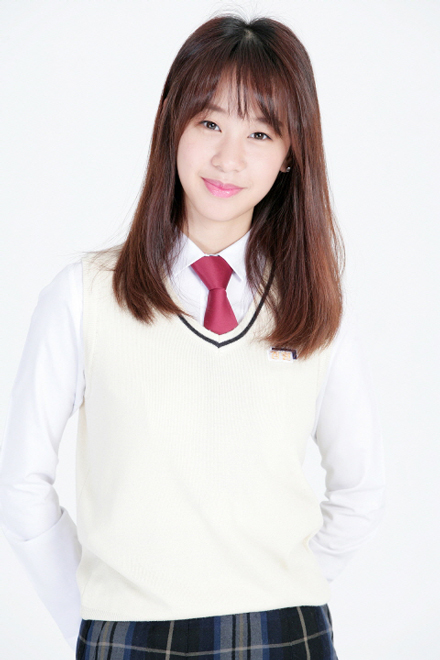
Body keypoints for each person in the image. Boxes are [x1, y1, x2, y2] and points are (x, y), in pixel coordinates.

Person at [0, 13, 386, 660]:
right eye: (209, 123)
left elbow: (360, 490)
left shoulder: (314, 306)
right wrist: (89, 618)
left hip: (284, 635)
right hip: (127, 634)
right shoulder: (83, 296)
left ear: (291, 155)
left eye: (260, 133)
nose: (229, 158)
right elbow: (21, 486)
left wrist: (282, 592)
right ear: (171, 124)